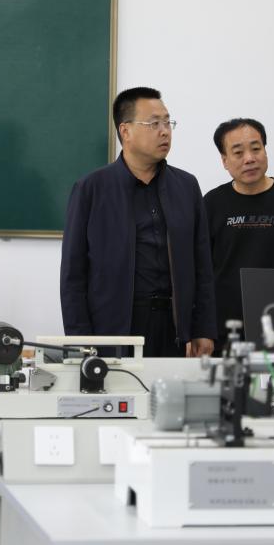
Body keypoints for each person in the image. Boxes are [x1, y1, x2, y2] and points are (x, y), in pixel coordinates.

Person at [60, 87, 215, 357]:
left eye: (167, 122)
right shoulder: (91, 189)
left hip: (174, 328)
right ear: (126, 131)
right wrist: (81, 341)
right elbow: (73, 275)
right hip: (114, 329)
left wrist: (203, 328)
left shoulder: (186, 186)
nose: (165, 131)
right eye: (154, 123)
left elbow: (202, 264)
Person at [204, 118, 274, 348]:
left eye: (256, 149)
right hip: (227, 328)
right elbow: (202, 272)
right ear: (224, 160)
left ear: (265, 151)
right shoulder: (212, 203)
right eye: (238, 152)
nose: (249, 158)